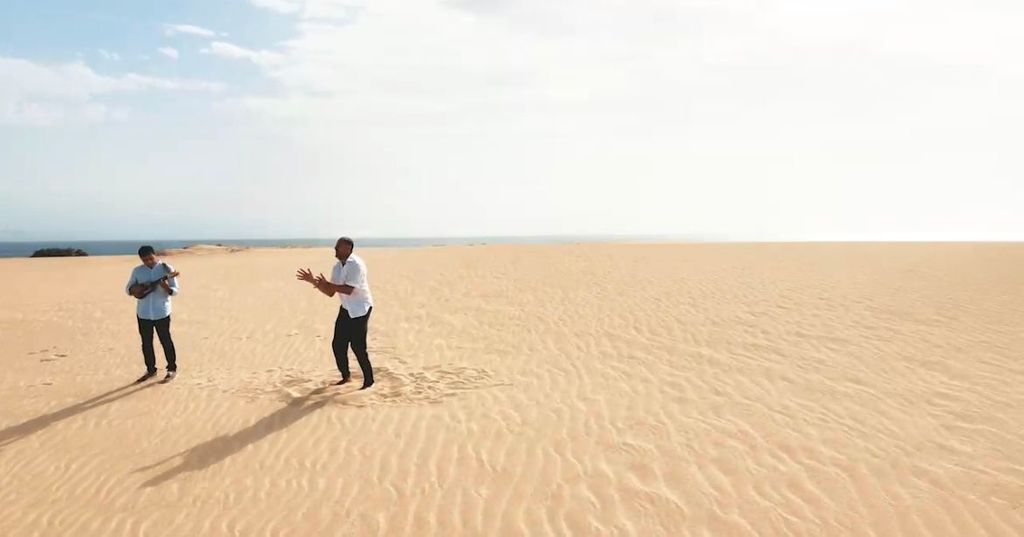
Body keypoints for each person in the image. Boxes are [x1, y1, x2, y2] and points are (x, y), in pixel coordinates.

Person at [296, 237, 375, 389]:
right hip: (346, 308)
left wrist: (328, 284)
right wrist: (314, 282)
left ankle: (369, 381)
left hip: (360, 309)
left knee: (358, 347)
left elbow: (349, 290)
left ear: (348, 249)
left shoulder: (356, 265)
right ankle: (346, 376)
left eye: (338, 247)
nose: (335, 249)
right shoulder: (337, 267)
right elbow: (330, 292)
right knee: (338, 345)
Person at [126, 245, 179, 382]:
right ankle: (151, 370)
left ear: (155, 255)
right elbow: (128, 289)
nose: (148, 262)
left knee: (165, 341)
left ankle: (171, 369)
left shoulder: (166, 269)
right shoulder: (137, 271)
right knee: (146, 343)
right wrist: (135, 289)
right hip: (143, 313)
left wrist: (166, 287)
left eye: (150, 258)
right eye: (145, 260)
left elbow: (175, 290)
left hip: (161, 312)